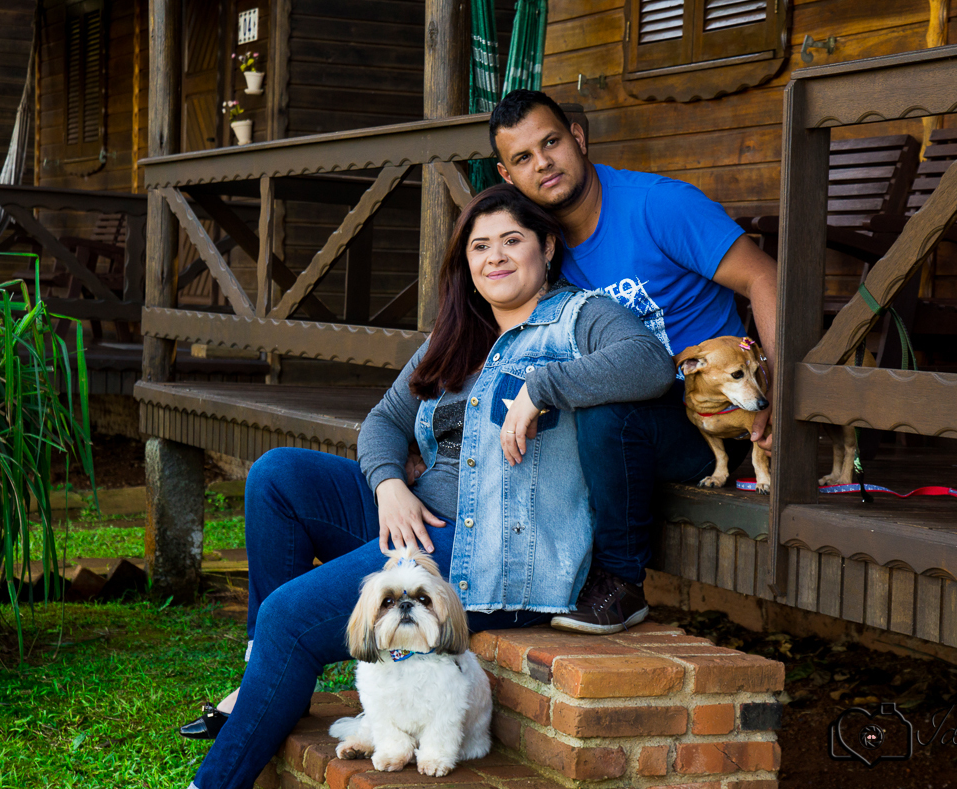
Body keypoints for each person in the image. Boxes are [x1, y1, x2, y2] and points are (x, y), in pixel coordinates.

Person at [180, 184, 674, 789]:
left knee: (289, 617)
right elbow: (384, 422)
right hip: (417, 520)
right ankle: (267, 672)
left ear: (547, 247)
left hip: (480, 548)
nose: (495, 257)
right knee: (278, 475)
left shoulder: (581, 318)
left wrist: (543, 388)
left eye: (511, 241)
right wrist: (389, 484)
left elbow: (651, 361)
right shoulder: (458, 335)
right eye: (479, 246)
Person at [487, 89, 780, 634]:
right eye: (523, 158)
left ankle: (620, 584)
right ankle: (526, 573)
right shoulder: (539, 245)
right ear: (508, 176)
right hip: (625, 411)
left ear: (578, 138)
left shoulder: (658, 206)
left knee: (605, 410)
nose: (543, 163)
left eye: (551, 142)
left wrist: (777, 394)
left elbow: (764, 277)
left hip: (708, 415)